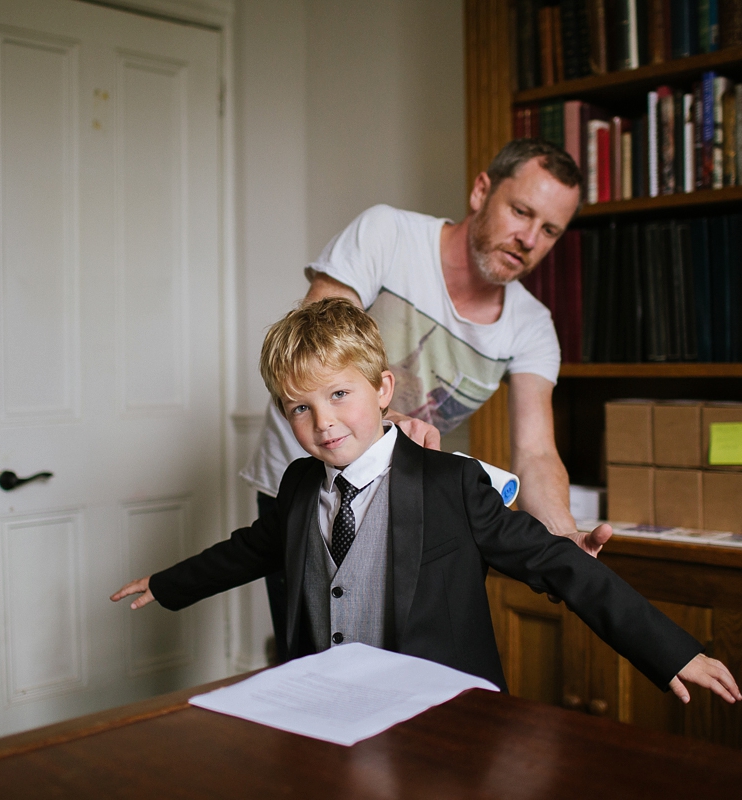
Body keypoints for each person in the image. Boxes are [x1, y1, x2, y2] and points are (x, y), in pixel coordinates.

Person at [112, 298, 742, 703]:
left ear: (383, 388)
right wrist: (168, 584)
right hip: (327, 707)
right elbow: (250, 549)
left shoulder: (451, 484)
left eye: (338, 395)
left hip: (439, 710)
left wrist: (671, 649)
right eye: (299, 408)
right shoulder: (299, 484)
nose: (323, 423)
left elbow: (562, 564)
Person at [241, 139, 607, 653]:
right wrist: (385, 421)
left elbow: (536, 451)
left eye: (549, 230)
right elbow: (314, 350)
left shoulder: (533, 327)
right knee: (312, 658)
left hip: (397, 497)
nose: (529, 238)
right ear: (482, 190)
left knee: (393, 664)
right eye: (520, 211)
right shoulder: (387, 234)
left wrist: (562, 537)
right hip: (308, 479)